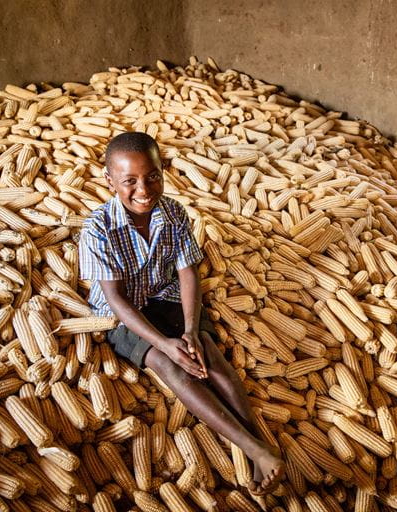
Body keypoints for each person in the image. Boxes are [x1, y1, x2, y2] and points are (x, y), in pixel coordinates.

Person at [78, 132, 285, 496]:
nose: (144, 188)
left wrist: (190, 329)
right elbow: (116, 300)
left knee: (206, 350)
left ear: (163, 170)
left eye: (152, 176)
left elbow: (188, 271)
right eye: (129, 181)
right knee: (169, 364)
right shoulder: (98, 228)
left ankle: (258, 445)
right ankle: (253, 447)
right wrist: (166, 343)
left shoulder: (173, 213)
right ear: (109, 181)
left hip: (164, 293)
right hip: (123, 312)